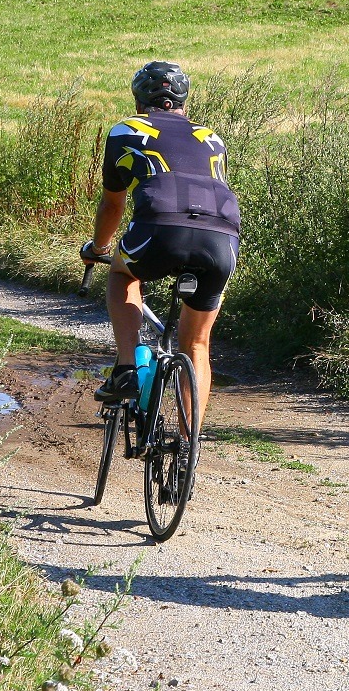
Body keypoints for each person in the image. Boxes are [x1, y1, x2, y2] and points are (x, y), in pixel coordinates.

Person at [81, 61, 240, 429]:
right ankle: (189, 445)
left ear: (139, 100)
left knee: (123, 274)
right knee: (197, 344)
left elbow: (112, 205)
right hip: (222, 237)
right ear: (184, 100)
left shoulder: (126, 130)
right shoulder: (212, 138)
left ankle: (125, 369)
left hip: (160, 227)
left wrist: (99, 248)